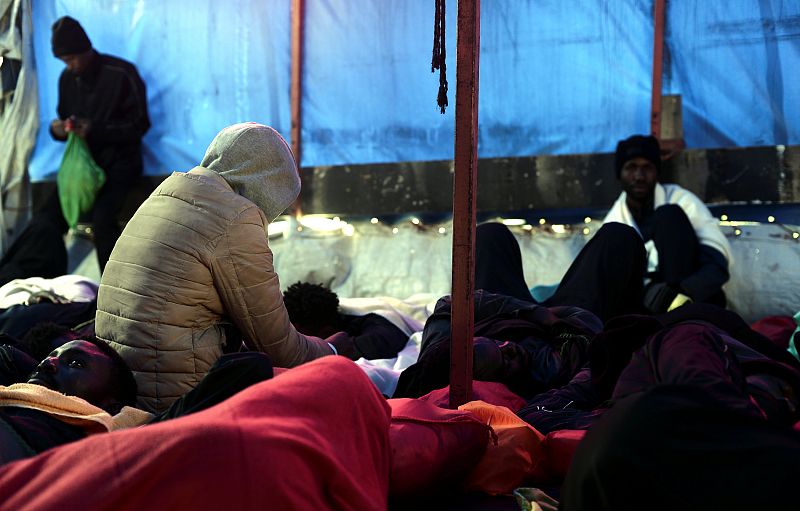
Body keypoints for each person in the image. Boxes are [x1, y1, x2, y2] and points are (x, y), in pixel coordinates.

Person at [96, 123, 339, 413]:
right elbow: (277, 347)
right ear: (268, 185)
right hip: (177, 401)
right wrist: (333, 352)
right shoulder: (236, 216)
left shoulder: (166, 193)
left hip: (118, 386)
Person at [393, 221, 648, 399]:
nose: (509, 347)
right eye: (505, 360)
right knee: (619, 237)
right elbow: (584, 324)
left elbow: (451, 303)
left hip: (520, 314)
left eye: (497, 345)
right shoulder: (548, 369)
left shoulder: (441, 353)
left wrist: (531, 312)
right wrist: (546, 319)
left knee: (489, 235)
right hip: (563, 326)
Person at [42, 16, 150, 273]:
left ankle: (113, 291)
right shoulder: (67, 79)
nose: (69, 66)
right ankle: (45, 289)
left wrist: (95, 129)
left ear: (85, 49)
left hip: (119, 166)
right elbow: (65, 119)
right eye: (64, 61)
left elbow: (140, 125)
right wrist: (58, 129)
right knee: (46, 219)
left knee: (103, 221)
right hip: (84, 171)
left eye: (72, 59)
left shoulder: (122, 73)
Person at [603, 134, 732, 313]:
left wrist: (681, 292)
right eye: (631, 167)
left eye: (647, 167)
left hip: (692, 295)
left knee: (669, 215)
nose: (639, 176)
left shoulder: (682, 201)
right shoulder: (615, 221)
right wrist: (652, 294)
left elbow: (716, 266)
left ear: (657, 172)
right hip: (649, 306)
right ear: (619, 174)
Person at [0, 337, 146, 466]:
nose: (47, 363)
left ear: (112, 407)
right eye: (49, 356)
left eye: (76, 363)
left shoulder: (56, 439)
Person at [283, 281, 412, 360]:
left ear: (327, 331)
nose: (295, 344)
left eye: (301, 338)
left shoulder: (380, 331)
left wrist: (331, 349)